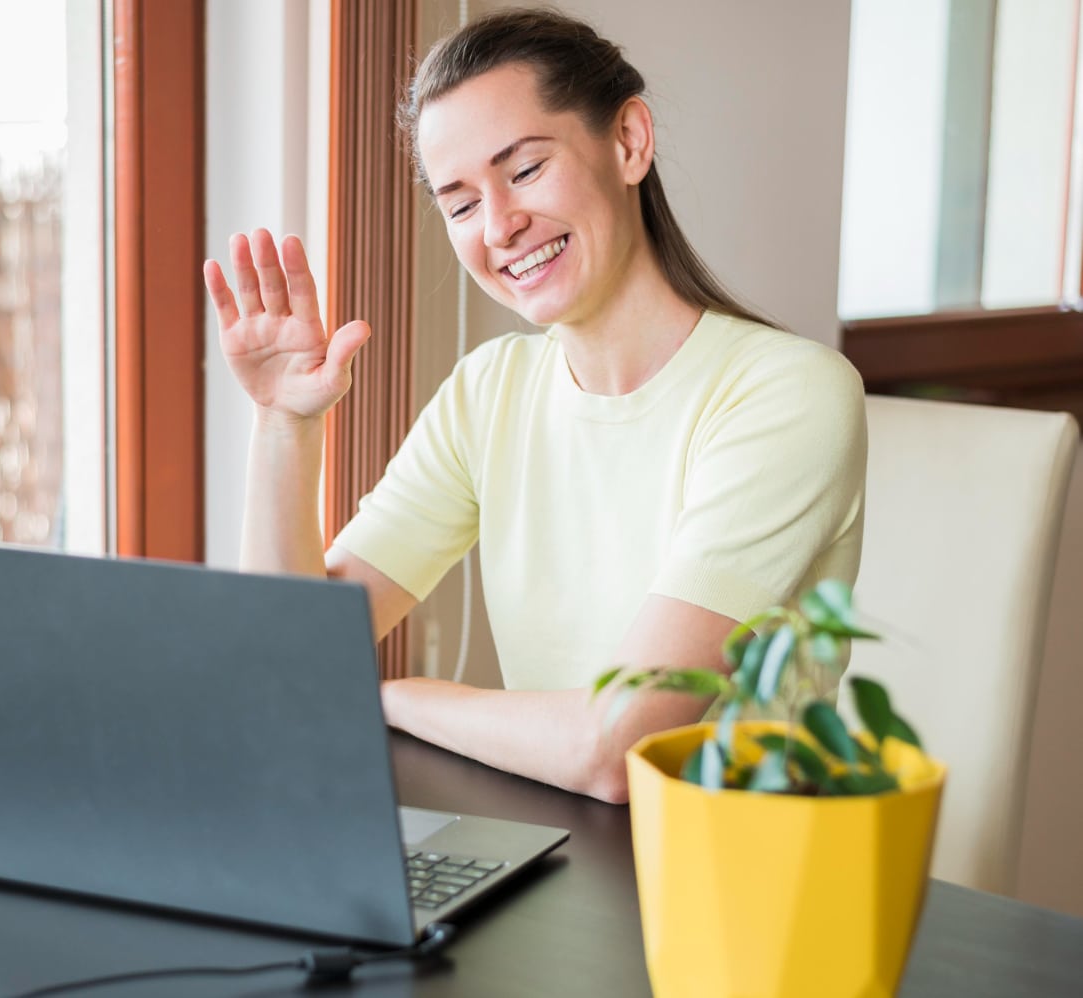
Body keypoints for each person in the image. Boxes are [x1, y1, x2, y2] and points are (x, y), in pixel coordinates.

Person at [201, 8, 865, 804]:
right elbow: (286, 661)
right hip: (559, 854)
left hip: (736, 884)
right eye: (460, 204)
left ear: (628, 142)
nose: (501, 226)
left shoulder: (787, 393)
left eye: (523, 171)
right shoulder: (491, 393)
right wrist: (284, 423)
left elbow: (621, 746)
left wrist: (390, 697)